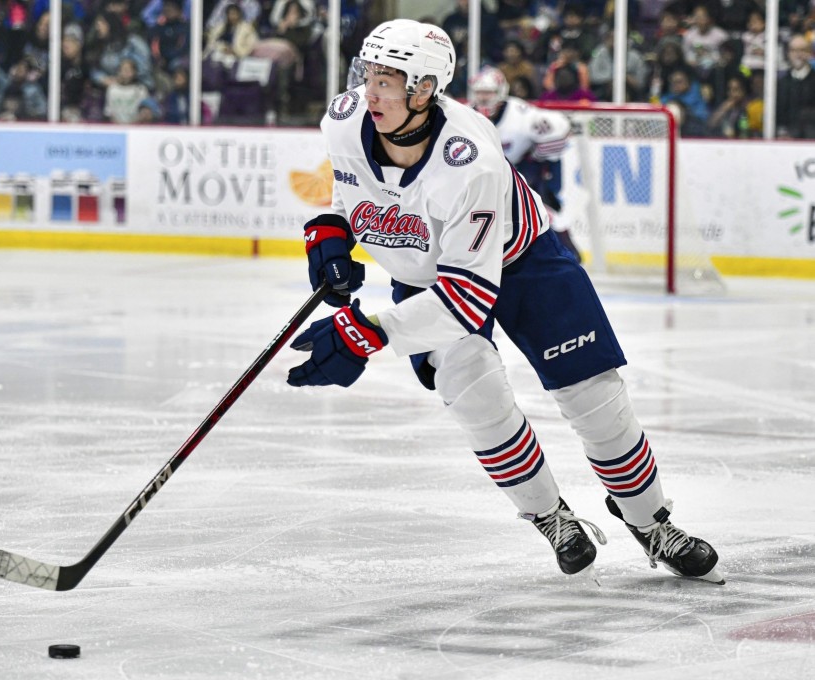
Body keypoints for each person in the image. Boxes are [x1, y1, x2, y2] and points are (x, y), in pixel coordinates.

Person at [286, 18, 724, 584]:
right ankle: (551, 516)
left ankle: (650, 521)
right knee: (474, 395)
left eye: (388, 80)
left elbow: (467, 299)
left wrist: (365, 332)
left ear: (423, 90)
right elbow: (352, 188)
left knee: (594, 397)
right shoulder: (345, 119)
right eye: (367, 74)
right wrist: (329, 227)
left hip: (525, 263)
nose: (370, 91)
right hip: (425, 276)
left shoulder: (470, 160)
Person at [469, 65, 580, 262]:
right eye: (480, 93)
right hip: (483, 178)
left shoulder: (521, 114)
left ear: (501, 93)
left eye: (489, 93)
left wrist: (536, 158)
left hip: (521, 172)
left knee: (545, 214)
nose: (484, 98)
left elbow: (560, 131)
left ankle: (567, 255)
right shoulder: (465, 117)